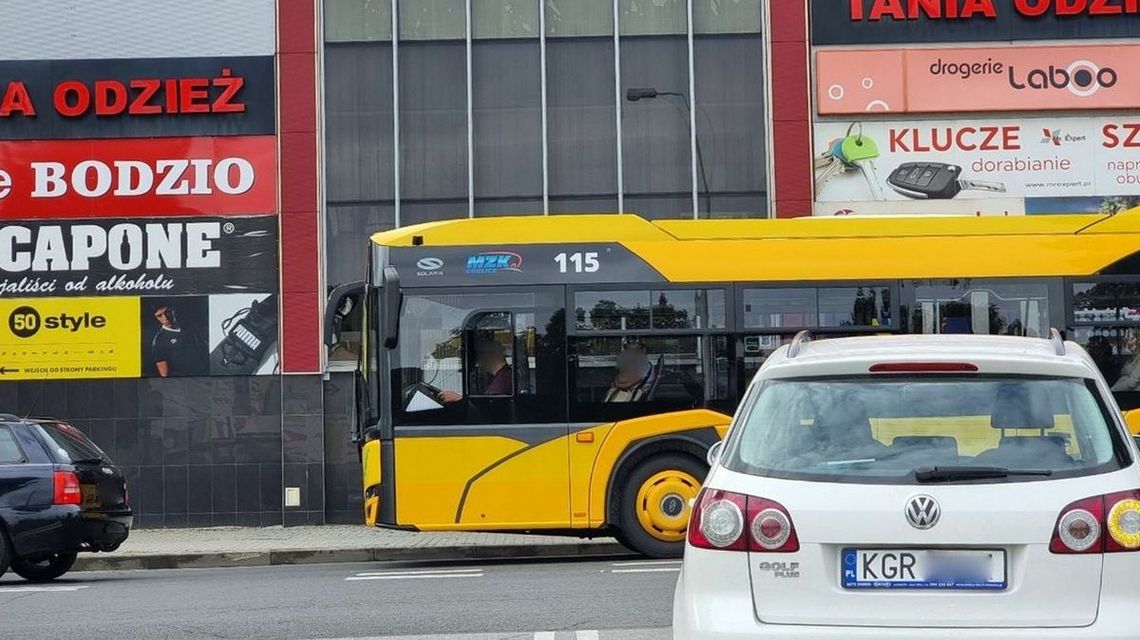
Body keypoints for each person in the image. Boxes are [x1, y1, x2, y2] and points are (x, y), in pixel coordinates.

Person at [438, 340, 512, 402]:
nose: (477, 360)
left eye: (480, 354)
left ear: (490, 355)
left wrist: (460, 399)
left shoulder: (504, 379)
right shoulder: (501, 375)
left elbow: (488, 406)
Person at [150, 305, 207, 377]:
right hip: (186, 380)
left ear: (173, 310)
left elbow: (203, 347)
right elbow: (164, 375)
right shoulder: (159, 340)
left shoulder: (189, 326)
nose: (165, 318)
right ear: (156, 318)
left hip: (203, 373)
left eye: (167, 312)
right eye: (159, 316)